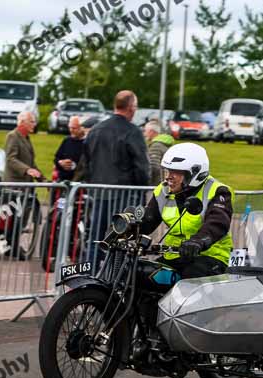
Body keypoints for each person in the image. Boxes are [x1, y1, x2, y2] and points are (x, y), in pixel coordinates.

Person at [139, 143, 233, 279]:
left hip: (210, 256)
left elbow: (217, 223)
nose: (168, 177)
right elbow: (148, 220)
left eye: (175, 172)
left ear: (195, 173)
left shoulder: (218, 191)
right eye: (167, 171)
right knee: (144, 275)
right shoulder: (163, 190)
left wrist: (199, 241)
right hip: (174, 256)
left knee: (190, 279)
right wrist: (126, 227)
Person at [83, 90, 150, 259]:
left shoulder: (95, 130)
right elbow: (141, 166)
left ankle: (90, 277)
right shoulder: (133, 131)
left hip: (98, 192)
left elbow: (86, 162)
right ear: (131, 108)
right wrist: (142, 191)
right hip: (125, 195)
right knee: (122, 239)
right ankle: (115, 279)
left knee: (96, 239)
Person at [3, 111, 43, 260]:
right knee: (15, 217)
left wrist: (41, 177)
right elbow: (11, 159)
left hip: (26, 185)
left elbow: (30, 162)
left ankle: (12, 245)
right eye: (31, 122)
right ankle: (12, 245)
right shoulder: (13, 136)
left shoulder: (26, 138)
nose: (34, 124)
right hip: (15, 184)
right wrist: (27, 170)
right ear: (22, 122)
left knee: (22, 217)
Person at [53, 116, 85, 182]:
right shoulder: (67, 140)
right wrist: (61, 163)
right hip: (63, 181)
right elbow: (56, 158)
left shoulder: (87, 143)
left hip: (80, 183)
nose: (71, 130)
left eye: (74, 128)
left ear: (82, 128)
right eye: (69, 127)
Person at [144, 120, 174, 186]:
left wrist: (148, 183)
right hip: (165, 182)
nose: (144, 134)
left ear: (151, 132)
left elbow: (154, 167)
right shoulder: (164, 144)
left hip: (157, 184)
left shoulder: (156, 146)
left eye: (145, 131)